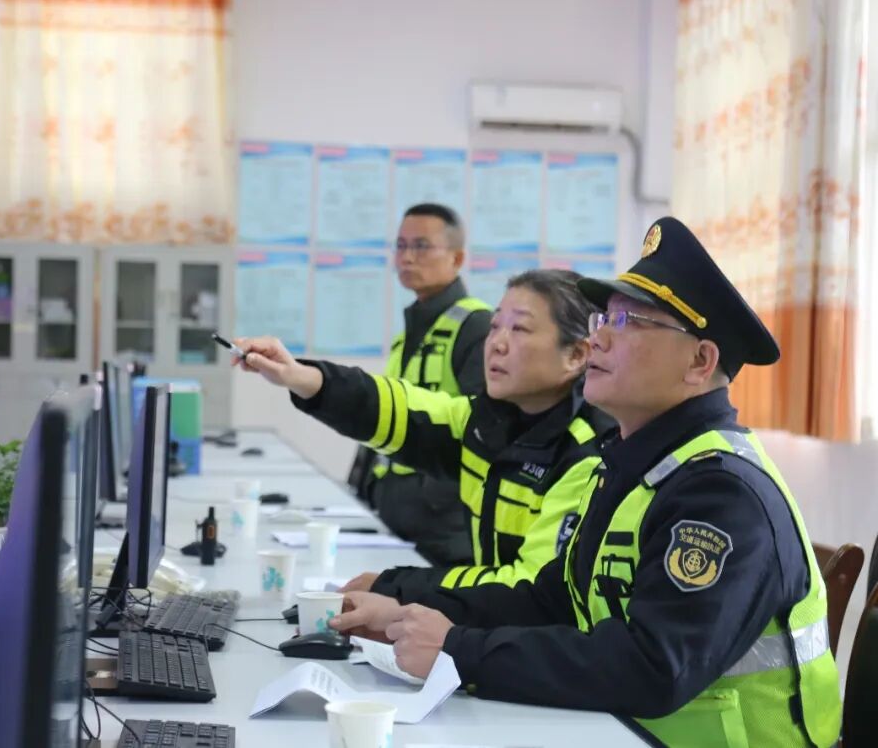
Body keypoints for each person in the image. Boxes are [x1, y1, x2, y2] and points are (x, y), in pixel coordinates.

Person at [331, 218, 841, 748]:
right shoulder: (636, 467)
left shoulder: (720, 493)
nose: (598, 336)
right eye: (603, 317)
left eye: (628, 321)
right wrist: (403, 605)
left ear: (699, 361)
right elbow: (550, 600)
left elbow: (653, 668)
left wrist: (458, 649)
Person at [235, 269, 614, 605]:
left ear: (576, 355)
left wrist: (395, 587)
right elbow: (400, 409)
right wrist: (299, 376)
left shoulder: (587, 456)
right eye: (496, 325)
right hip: (498, 626)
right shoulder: (486, 421)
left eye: (520, 329)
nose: (497, 343)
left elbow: (529, 586)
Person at [347, 203, 491, 566]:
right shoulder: (412, 331)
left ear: (457, 258)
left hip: (443, 529)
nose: (407, 257)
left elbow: (486, 426)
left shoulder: (476, 327)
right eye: (401, 246)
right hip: (394, 515)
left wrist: (435, 494)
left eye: (422, 246)